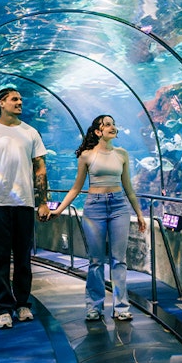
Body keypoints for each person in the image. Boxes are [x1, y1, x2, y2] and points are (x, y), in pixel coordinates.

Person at [49, 115, 147, 321]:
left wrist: (139, 213)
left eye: (114, 124)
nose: (113, 127)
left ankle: (121, 307)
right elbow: (76, 188)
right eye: (107, 124)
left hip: (119, 206)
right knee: (95, 260)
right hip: (94, 208)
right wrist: (59, 210)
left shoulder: (122, 154)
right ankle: (94, 306)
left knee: (119, 260)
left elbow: (128, 188)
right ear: (97, 131)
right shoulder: (86, 155)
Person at [0, 88, 50, 329]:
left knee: (23, 258)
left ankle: (23, 303)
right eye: (15, 99)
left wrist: (43, 201)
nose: (19, 102)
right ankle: (4, 308)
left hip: (24, 204)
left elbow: (40, 168)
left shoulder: (30, 132)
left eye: (20, 99)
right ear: (1, 103)